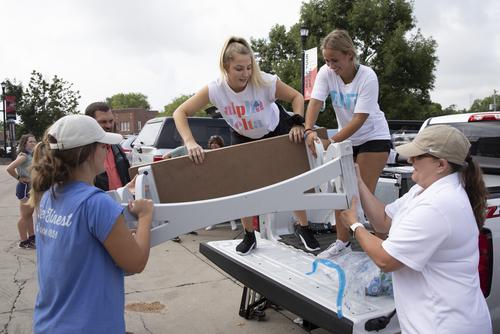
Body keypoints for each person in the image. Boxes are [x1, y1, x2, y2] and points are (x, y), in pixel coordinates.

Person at [173, 36, 320, 255]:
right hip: (242, 134)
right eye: (239, 69)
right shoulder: (215, 89)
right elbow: (180, 112)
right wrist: (190, 142)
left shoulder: (264, 82)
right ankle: (249, 235)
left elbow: (297, 97)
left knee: (291, 177)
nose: (245, 74)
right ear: (226, 67)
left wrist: (297, 123)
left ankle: (303, 226)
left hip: (274, 127)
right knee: (242, 185)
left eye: (249, 67)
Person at [340, 125, 492, 333]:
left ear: (441, 164)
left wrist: (354, 225)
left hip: (445, 325)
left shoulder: (438, 204)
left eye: (417, 156)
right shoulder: (424, 190)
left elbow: (386, 259)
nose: (410, 160)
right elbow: (383, 220)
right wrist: (358, 181)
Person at [29, 114, 153, 333]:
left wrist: (125, 192)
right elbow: (135, 263)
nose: (107, 151)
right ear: (87, 153)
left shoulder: (48, 194)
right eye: (103, 145)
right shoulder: (97, 204)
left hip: (50, 323)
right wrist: (145, 217)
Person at [303, 29, 391, 258]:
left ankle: (388, 248)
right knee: (339, 190)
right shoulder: (325, 72)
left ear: (350, 55)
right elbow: (315, 102)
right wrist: (309, 130)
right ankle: (342, 242)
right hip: (348, 139)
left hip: (374, 137)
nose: (331, 65)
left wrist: (330, 142)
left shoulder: (368, 77)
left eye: (335, 60)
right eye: (327, 60)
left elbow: (360, 119)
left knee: (363, 194)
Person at [85, 102, 131, 191]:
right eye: (103, 122)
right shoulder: (83, 153)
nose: (109, 126)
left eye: (111, 121)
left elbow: (126, 178)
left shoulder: (116, 147)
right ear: (90, 123)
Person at [6, 134, 37, 249]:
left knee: (29, 215)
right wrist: (19, 178)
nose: (33, 143)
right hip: (24, 188)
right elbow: (9, 168)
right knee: (25, 216)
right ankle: (24, 241)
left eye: (34, 141)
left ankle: (32, 237)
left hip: (30, 188)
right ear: (24, 143)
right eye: (30, 142)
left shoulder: (30, 155)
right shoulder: (24, 156)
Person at [204, 135, 238, 231]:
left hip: (225, 181)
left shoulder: (225, 153)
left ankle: (232, 222)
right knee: (213, 203)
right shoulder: (207, 154)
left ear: (220, 145)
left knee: (227, 202)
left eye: (216, 144)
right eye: (212, 144)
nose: (214, 146)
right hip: (212, 182)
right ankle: (212, 223)